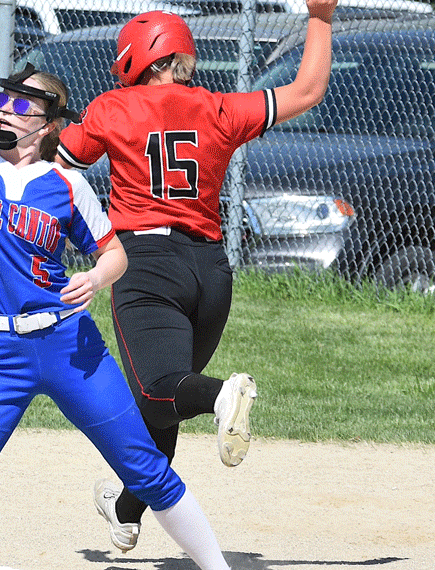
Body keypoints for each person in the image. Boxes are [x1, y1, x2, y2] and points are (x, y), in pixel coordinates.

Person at [0, 0, 240, 568]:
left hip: (71, 348)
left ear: (48, 124)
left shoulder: (68, 186)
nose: (4, 110)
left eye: (20, 104)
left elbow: (116, 253)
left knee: (145, 470)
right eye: (3, 99)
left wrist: (96, 277)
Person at [56, 0, 338, 553]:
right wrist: (322, 18)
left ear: (137, 61)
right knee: (163, 401)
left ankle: (222, 397)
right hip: (211, 273)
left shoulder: (115, 108)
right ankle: (125, 507)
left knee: (164, 392)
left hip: (147, 266)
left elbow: (58, 171)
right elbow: (306, 92)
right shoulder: (219, 108)